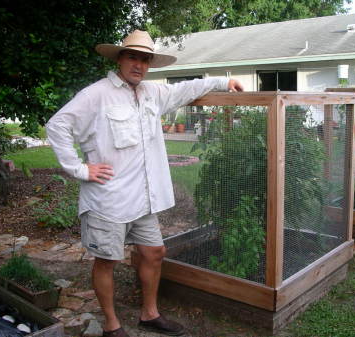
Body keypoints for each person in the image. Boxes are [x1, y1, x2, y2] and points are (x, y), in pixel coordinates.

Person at [46, 30, 243, 337]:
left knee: (154, 252)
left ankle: (149, 315)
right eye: (133, 57)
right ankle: (112, 325)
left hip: (143, 198)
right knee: (107, 260)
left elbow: (188, 87)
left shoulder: (153, 93)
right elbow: (57, 125)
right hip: (107, 199)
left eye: (145, 59)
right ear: (120, 58)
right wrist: (79, 169)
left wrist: (222, 82)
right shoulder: (96, 94)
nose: (139, 64)